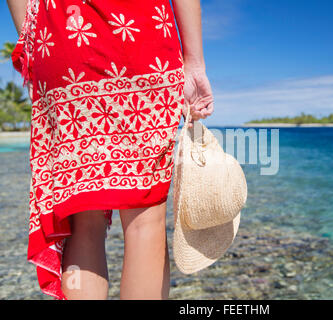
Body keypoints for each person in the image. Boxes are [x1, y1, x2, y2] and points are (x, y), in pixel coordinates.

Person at [6, 0, 214, 300]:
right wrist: (194, 61)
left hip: (61, 37)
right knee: (145, 219)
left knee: (83, 220)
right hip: (142, 33)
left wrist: (35, 43)